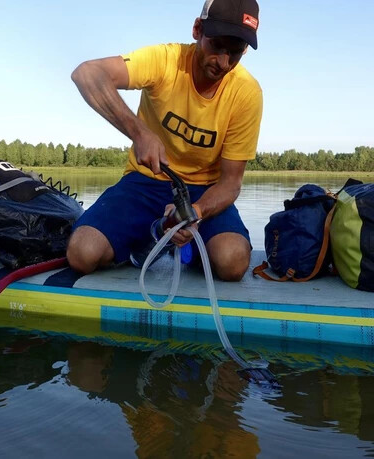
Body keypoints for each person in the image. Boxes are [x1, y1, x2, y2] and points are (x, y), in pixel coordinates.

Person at [67, 0, 264, 281]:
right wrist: (140, 133)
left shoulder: (247, 93)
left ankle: (183, 245)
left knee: (232, 262)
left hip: (203, 192)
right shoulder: (165, 61)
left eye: (235, 53)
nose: (223, 62)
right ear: (197, 30)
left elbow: (231, 183)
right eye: (217, 46)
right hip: (144, 183)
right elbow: (86, 74)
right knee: (82, 254)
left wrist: (193, 213)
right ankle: (148, 239)